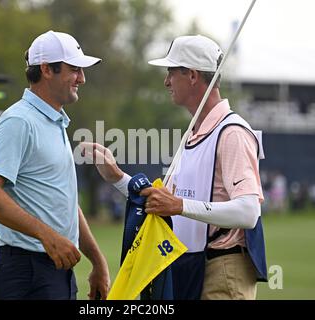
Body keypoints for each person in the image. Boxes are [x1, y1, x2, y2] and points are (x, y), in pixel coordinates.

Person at [81, 35, 267, 300]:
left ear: (192, 76)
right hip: (194, 267)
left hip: (223, 269)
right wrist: (119, 178)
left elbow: (249, 211)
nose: (166, 81)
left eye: (171, 72)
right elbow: (164, 203)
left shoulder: (232, 132)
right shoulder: (195, 133)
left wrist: (179, 205)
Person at [0, 30, 110, 300]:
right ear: (47, 70)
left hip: (53, 269)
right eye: (74, 70)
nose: (81, 79)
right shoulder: (19, 121)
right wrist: (47, 236)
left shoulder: (54, 121)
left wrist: (98, 261)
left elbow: (66, 202)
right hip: (25, 272)